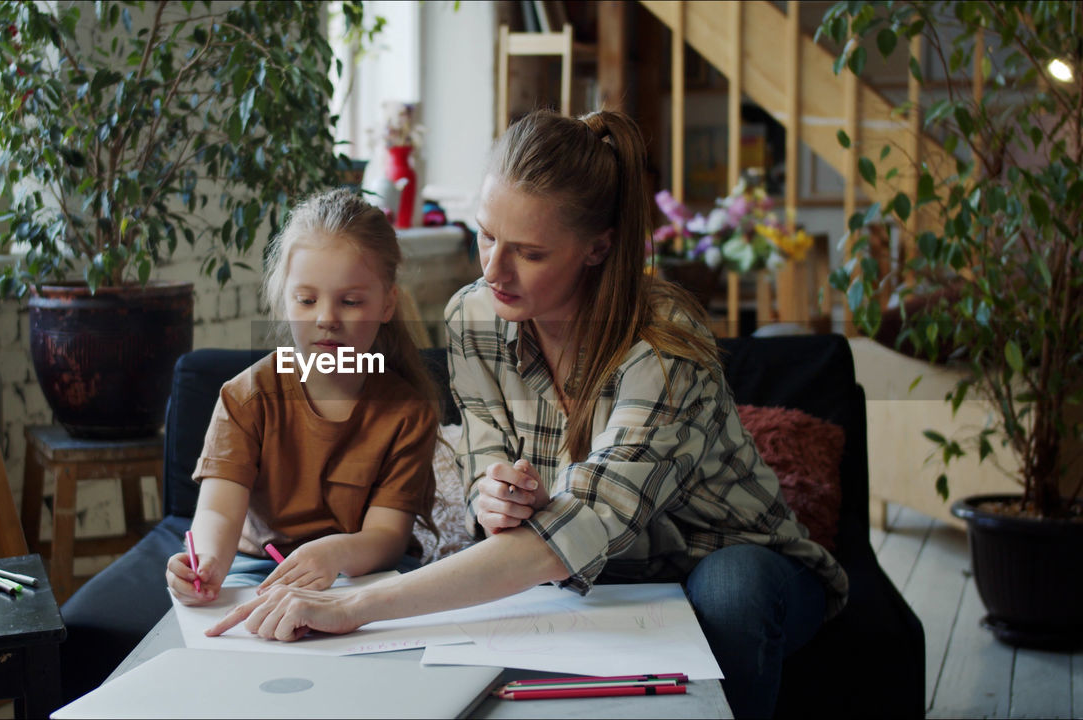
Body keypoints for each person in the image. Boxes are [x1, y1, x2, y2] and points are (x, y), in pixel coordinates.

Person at [207, 111, 849, 719]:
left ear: (596, 249)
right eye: (486, 236)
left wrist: (358, 605)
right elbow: (489, 474)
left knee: (731, 593)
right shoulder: (474, 319)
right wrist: (495, 497)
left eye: (529, 253)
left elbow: (578, 528)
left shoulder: (664, 346)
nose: (494, 270)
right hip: (584, 574)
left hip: (723, 555)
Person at [166, 188, 440, 604]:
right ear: (284, 301)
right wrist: (205, 563)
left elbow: (387, 535)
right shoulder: (246, 398)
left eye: (350, 301)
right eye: (307, 300)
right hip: (260, 565)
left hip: (364, 570)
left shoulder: (408, 412)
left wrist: (335, 554)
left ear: (387, 304)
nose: (327, 319)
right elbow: (218, 510)